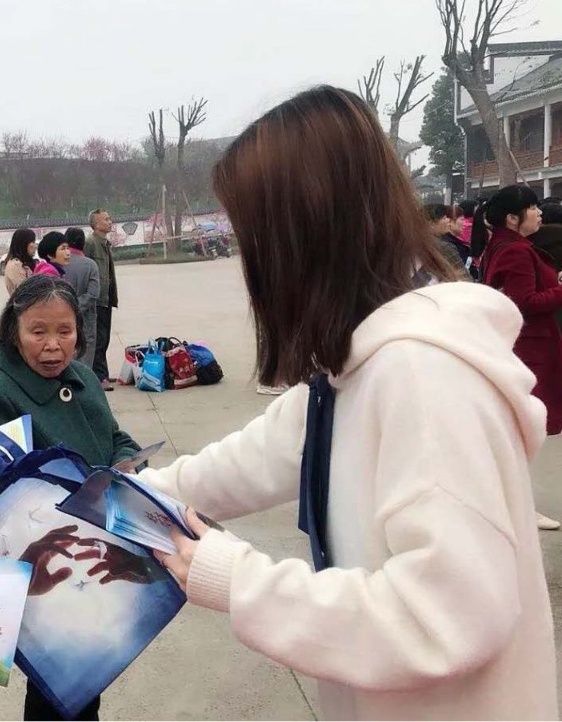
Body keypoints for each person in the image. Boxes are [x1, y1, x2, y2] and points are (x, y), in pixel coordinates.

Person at [142, 86, 556, 720]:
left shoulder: (422, 374)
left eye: (253, 237)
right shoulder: (356, 367)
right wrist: (116, 495)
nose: (249, 265)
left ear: (302, 235)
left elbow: (445, 617)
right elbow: (251, 459)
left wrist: (234, 576)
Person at [0, 274, 142, 722]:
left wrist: (126, 463)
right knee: (59, 682)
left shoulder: (82, 377)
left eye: (65, 331)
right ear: (14, 332)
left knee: (85, 678)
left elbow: (116, 437)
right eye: (38, 331)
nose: (53, 345)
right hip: (45, 553)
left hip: (97, 538)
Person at [475, 185, 562, 531]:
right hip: (529, 350)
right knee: (524, 429)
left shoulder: (504, 246)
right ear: (513, 218)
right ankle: (519, 505)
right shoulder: (515, 251)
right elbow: (523, 304)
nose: (539, 212)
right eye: (532, 207)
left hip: (525, 347)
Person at [84, 209, 118, 390]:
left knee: (104, 338)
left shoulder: (105, 243)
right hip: (96, 300)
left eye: (110, 218)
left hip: (106, 298)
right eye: (106, 219)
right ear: (96, 224)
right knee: (97, 339)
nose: (110, 221)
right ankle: (98, 376)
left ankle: (102, 372)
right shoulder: (90, 243)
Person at [62, 227, 99, 369]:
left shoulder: (57, 264)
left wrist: (67, 307)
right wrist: (76, 307)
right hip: (86, 318)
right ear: (83, 243)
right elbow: (93, 294)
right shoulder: (90, 265)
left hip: (62, 316)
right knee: (85, 357)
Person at [423, 203, 471, 280]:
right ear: (431, 224)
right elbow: (465, 278)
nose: (448, 220)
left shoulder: (418, 244)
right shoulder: (444, 247)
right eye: (444, 218)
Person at [3, 228, 37, 295]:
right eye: (33, 242)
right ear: (23, 244)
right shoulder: (15, 265)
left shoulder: (26, 263)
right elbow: (26, 292)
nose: (35, 246)